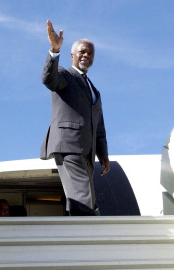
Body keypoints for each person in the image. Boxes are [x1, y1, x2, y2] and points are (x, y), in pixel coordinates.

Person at [40, 20, 110, 216]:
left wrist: (103, 153)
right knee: (84, 200)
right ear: (72, 55)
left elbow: (99, 126)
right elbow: (48, 78)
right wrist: (54, 50)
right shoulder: (64, 75)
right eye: (82, 52)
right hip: (68, 146)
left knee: (80, 201)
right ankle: (91, 241)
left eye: (90, 53)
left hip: (87, 152)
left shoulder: (94, 91)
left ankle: (79, 238)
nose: (86, 55)